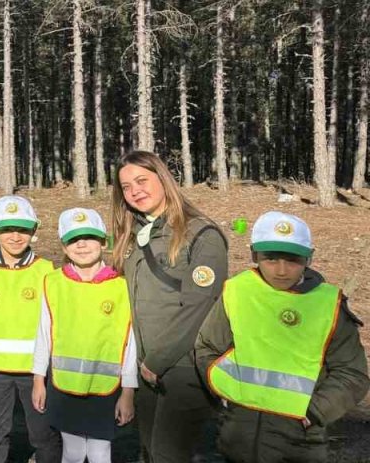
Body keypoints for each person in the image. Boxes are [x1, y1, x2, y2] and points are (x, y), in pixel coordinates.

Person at [196, 212, 369, 463]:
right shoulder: (236, 291)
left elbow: (353, 374)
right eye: (271, 259)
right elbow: (207, 347)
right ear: (255, 256)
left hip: (299, 445)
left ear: (309, 258)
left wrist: (315, 412)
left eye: (293, 260)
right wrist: (226, 393)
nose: (281, 270)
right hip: (238, 438)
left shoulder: (329, 305)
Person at [110, 149, 228, 462]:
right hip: (147, 368)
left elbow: (199, 306)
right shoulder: (133, 237)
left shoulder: (201, 234)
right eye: (126, 186)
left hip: (184, 367)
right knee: (148, 450)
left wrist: (156, 361)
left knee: (167, 454)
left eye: (141, 180)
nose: (135, 190)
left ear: (163, 179)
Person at [31, 208, 137, 463]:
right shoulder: (53, 282)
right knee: (73, 452)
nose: (81, 244)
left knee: (100, 452)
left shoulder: (121, 285)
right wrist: (38, 378)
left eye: (89, 237)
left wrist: (128, 391)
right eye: (73, 239)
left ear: (103, 242)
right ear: (64, 247)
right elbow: (44, 333)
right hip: (64, 386)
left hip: (105, 389)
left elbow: (130, 341)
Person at [0, 196, 60, 463]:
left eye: (22, 229)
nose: (15, 236)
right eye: (7, 229)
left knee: (42, 433)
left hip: (34, 371)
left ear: (34, 231)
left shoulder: (45, 270)